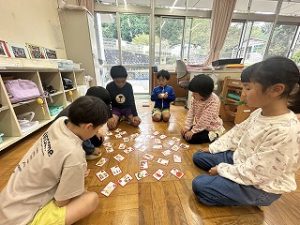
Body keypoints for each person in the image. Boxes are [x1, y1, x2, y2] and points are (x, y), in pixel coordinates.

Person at [192, 56, 300, 206]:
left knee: (200, 184)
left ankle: (233, 191)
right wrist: (212, 148)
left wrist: (222, 170)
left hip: (261, 187)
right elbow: (236, 134)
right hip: (242, 160)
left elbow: (257, 173)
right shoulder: (259, 112)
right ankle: (225, 180)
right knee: (198, 156)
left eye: (248, 88)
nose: (242, 93)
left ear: (276, 90)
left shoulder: (286, 131)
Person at [0, 96, 110, 225]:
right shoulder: (75, 154)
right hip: (22, 220)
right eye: (97, 130)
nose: (97, 132)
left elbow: (56, 157)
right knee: (91, 199)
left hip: (6, 203)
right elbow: (61, 202)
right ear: (89, 127)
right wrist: (76, 179)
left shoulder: (61, 122)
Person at [56, 86, 112, 160]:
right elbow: (79, 133)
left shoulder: (82, 106)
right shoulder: (80, 116)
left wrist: (96, 132)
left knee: (97, 140)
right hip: (63, 143)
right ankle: (86, 152)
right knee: (95, 142)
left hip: (63, 132)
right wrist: (91, 149)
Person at [180, 74, 224, 144]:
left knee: (191, 139)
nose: (192, 95)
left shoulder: (214, 101)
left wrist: (193, 131)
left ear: (204, 93)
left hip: (212, 128)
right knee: (185, 134)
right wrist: (187, 127)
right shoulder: (194, 99)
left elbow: (205, 120)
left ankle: (216, 134)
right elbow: (191, 113)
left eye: (195, 93)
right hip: (201, 125)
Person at [106, 65, 141, 130]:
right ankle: (120, 117)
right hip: (115, 109)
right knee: (111, 126)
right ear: (113, 79)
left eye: (123, 81)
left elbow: (131, 101)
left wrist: (135, 115)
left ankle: (124, 117)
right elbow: (108, 103)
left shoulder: (128, 86)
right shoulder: (109, 86)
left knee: (136, 123)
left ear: (126, 78)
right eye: (118, 82)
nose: (121, 84)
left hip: (127, 109)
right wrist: (109, 116)